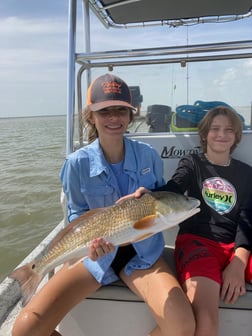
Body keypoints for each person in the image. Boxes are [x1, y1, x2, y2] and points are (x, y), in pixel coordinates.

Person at [12, 73, 195, 336]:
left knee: (183, 326)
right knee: (25, 329)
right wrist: (90, 247)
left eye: (121, 110)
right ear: (91, 116)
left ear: (132, 114)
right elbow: (77, 215)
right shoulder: (76, 164)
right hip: (94, 256)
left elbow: (161, 201)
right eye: (104, 111)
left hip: (141, 254)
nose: (114, 118)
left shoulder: (148, 155)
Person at [123, 106, 252, 336]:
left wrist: (238, 263)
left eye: (229, 129)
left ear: (237, 136)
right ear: (204, 134)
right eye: (215, 129)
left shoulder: (247, 173)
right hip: (198, 242)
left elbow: (247, 218)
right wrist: (150, 196)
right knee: (205, 324)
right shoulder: (193, 163)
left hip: (236, 247)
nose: (222, 134)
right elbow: (173, 188)